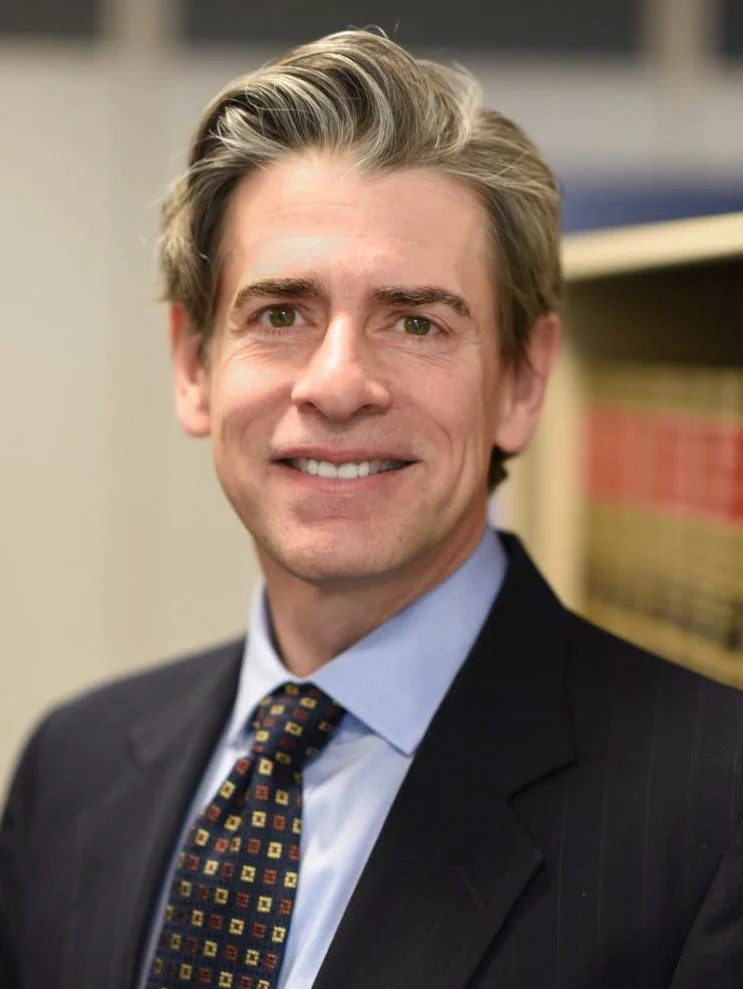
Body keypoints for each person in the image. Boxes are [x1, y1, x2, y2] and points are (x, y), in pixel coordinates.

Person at [2, 28, 743, 989]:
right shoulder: (74, 765)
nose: (339, 383)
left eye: (414, 320)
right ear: (193, 366)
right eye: (280, 314)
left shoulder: (714, 813)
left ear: (522, 378)